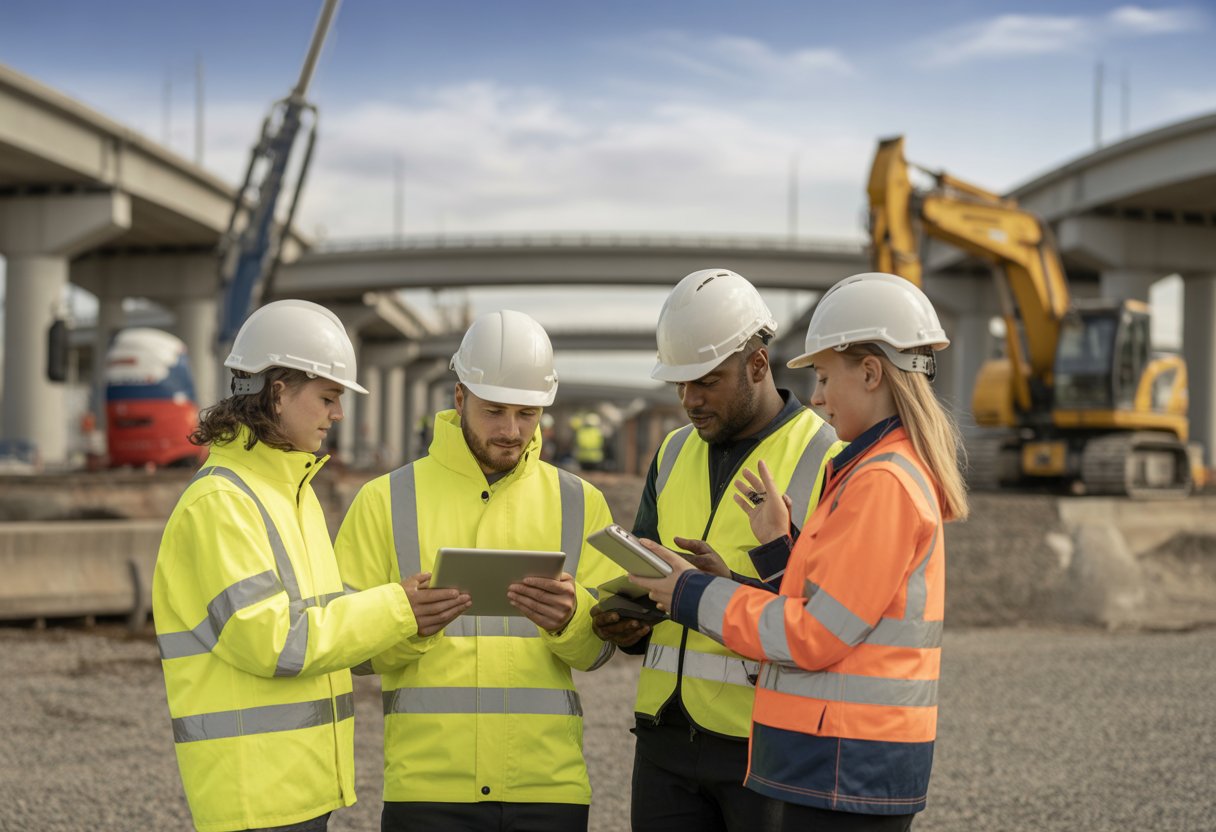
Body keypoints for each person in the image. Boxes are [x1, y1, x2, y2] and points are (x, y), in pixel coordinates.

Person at [631, 272, 970, 832]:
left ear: (869, 373)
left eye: (823, 376)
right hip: (836, 761)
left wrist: (689, 591)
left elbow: (812, 634)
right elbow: (836, 608)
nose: (815, 397)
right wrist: (778, 550)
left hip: (843, 764)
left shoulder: (882, 482)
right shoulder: (870, 471)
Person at [153, 299, 469, 832]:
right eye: (327, 397)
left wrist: (413, 622)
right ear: (277, 392)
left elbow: (329, 623)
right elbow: (276, 641)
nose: (337, 414)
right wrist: (396, 606)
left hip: (296, 787)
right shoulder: (222, 503)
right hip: (254, 795)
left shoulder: (291, 496)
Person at [334, 309, 622, 832]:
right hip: (427, 788)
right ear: (460, 398)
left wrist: (571, 618)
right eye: (495, 411)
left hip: (547, 786)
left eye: (528, 414)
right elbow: (350, 651)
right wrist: (406, 622)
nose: (512, 431)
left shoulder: (580, 502)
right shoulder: (384, 501)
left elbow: (599, 650)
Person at [592, 268, 842, 832]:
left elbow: (825, 618)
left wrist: (718, 588)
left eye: (706, 381)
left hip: (765, 743)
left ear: (758, 365)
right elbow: (645, 575)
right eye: (680, 384)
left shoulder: (824, 454)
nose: (689, 399)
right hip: (663, 739)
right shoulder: (674, 451)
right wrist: (629, 625)